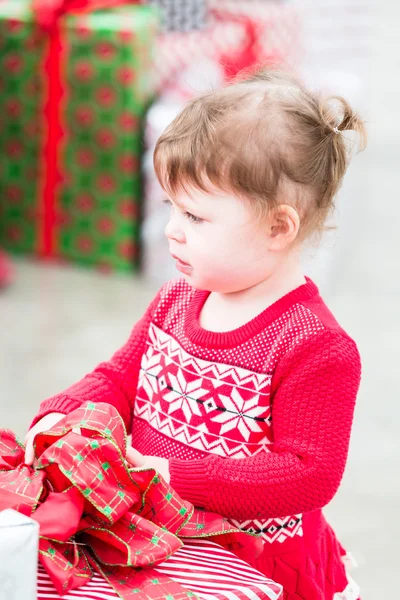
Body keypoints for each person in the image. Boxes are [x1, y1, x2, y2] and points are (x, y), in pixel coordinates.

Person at [25, 70, 366, 600]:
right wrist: (64, 411)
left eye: (195, 216)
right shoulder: (177, 300)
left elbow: (307, 475)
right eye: (170, 208)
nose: (171, 230)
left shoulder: (314, 345)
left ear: (279, 228)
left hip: (255, 562)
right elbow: (120, 377)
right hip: (164, 544)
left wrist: (176, 474)